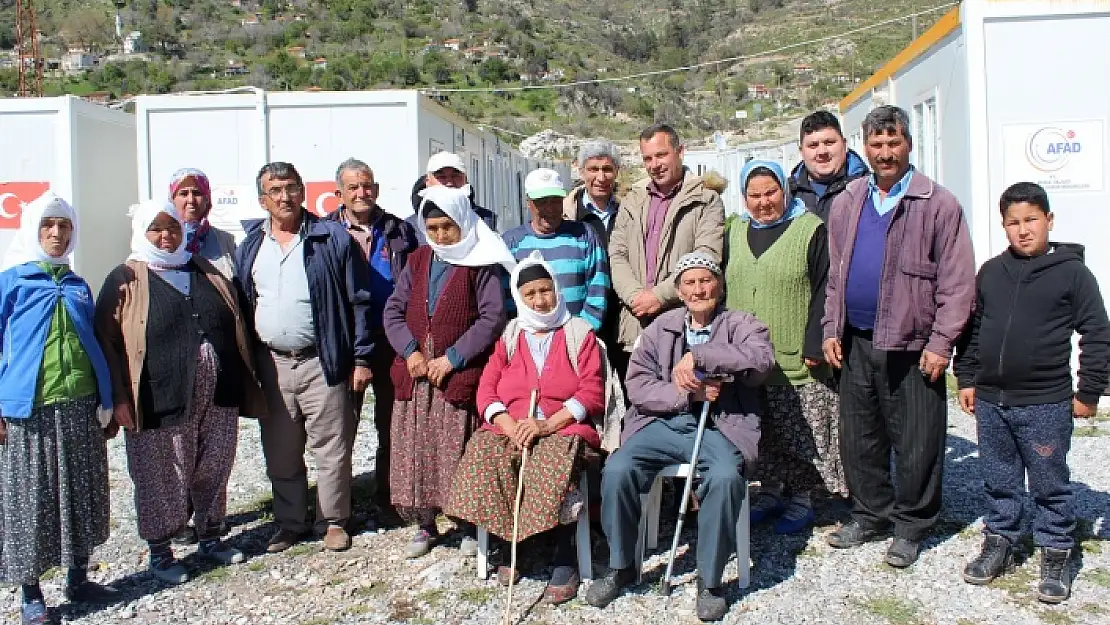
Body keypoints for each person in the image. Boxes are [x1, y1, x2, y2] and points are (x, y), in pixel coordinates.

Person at [822, 105, 975, 568]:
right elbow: (836, 275)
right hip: (857, 340)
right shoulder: (849, 200)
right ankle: (870, 514)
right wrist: (832, 326)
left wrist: (941, 342)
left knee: (917, 440)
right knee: (860, 437)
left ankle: (911, 525)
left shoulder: (938, 203)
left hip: (914, 344)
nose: (886, 153)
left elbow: (958, 281)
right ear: (864, 148)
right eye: (877, 144)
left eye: (894, 143)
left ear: (909, 145)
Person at [587, 252, 774, 622]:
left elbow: (761, 360)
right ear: (678, 289)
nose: (699, 288)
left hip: (721, 426)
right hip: (663, 423)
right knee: (618, 469)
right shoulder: (661, 327)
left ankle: (710, 579)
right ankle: (622, 564)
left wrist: (701, 356)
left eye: (706, 280)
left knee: (723, 478)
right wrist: (686, 394)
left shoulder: (742, 323)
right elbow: (638, 385)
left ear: (719, 285)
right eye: (690, 282)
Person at [954, 182, 1110, 603]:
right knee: (998, 479)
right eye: (1013, 223)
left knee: (1049, 482)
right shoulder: (991, 271)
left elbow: (1097, 333)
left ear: (1049, 220)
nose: (1023, 230)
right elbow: (972, 330)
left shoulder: (1072, 273)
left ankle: (1056, 550)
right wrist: (966, 377)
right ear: (1003, 226)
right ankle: (1001, 541)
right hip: (991, 401)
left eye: (1031, 220)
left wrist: (1089, 390)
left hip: (1045, 402)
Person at [95, 200, 265, 584]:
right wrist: (119, 397)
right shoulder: (126, 278)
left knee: (215, 463)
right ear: (142, 231)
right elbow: (106, 341)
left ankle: (210, 536)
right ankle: (161, 552)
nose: (166, 235)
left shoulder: (201, 268)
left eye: (172, 227)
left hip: (218, 391)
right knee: (161, 474)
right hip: (159, 396)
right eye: (156, 228)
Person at [446, 251, 605, 603]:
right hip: (512, 425)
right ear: (519, 297)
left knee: (553, 460)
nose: (539, 299)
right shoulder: (511, 334)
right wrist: (508, 422)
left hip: (562, 427)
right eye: (530, 293)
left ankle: (566, 555)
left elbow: (591, 391)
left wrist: (546, 425)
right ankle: (513, 540)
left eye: (545, 290)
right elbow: (486, 389)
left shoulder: (579, 332)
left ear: (557, 289)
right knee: (486, 452)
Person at [236, 162, 374, 554]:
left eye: (291, 188)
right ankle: (290, 522)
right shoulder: (251, 245)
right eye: (275, 190)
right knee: (281, 448)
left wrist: (361, 358)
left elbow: (359, 302)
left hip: (323, 359)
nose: (284, 197)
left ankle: (332, 521)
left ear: (303, 191)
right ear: (263, 199)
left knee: (331, 447)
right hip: (273, 363)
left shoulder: (330, 238)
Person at [0, 192, 119, 625]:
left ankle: (78, 577)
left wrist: (105, 400)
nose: (56, 234)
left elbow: (93, 343)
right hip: (27, 411)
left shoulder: (76, 284)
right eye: (48, 226)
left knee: (80, 493)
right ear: (32, 229)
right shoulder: (11, 282)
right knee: (30, 500)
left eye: (65, 227)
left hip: (79, 405)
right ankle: (31, 592)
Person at [383, 185, 511, 559]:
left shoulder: (479, 263)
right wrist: (409, 352)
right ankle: (424, 523)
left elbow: (492, 317)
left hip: (455, 374)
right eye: (433, 227)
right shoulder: (419, 259)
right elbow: (393, 310)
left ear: (464, 222)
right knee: (417, 448)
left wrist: (452, 358)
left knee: (457, 447)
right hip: (417, 374)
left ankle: (467, 521)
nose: (440, 235)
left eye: (447, 226)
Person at [724, 159, 844, 534]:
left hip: (794, 353)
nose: (763, 202)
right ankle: (771, 491)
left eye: (771, 192)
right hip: (748, 358)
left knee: (800, 431)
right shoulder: (734, 230)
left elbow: (827, 288)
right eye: (754, 195)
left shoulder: (810, 229)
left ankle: (804, 497)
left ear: (785, 190)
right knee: (763, 432)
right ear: (744, 197)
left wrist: (815, 340)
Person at [325, 158, 419, 527]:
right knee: (338, 429)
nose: (361, 193)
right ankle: (336, 510)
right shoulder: (324, 231)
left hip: (391, 341)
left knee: (391, 425)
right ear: (340, 194)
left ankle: (388, 498)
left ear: (376, 189)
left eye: (367, 186)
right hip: (343, 343)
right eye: (353, 187)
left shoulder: (398, 229)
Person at [609, 123, 726, 384]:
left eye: (661, 155)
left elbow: (706, 257)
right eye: (647, 158)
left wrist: (659, 296)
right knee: (640, 411)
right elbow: (617, 254)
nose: (655, 164)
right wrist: (636, 297)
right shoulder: (632, 200)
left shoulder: (706, 200)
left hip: (684, 325)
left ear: (680, 151)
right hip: (635, 324)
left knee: (684, 407)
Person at [502, 168, 610, 331]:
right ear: (529, 203)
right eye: (542, 201)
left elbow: (599, 287)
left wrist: (581, 332)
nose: (550, 208)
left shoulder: (585, 234)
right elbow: (505, 297)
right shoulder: (511, 242)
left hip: (577, 339)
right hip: (528, 340)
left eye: (555, 200)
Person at [789, 111, 869, 222]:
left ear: (844, 145)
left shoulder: (869, 189)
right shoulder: (787, 195)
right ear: (801, 151)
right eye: (813, 145)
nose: (822, 152)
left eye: (829, 143)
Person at [168, 167, 238, 280]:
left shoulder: (225, 241)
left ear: (207, 199)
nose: (191, 200)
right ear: (172, 200)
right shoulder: (164, 239)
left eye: (196, 193)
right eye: (183, 193)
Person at [409, 152, 497, 236]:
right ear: (428, 182)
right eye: (441, 177)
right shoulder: (411, 227)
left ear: (465, 180)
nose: (449, 183)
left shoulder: (487, 220)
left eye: (455, 176)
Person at [563, 139, 622, 245]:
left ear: (616, 172)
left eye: (607, 169)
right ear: (581, 172)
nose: (601, 178)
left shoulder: (628, 210)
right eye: (593, 169)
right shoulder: (566, 212)